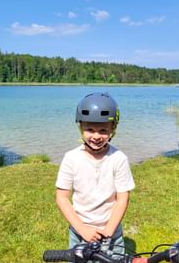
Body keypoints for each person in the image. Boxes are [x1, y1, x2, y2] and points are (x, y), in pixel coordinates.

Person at [55, 92, 135, 257]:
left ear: (113, 129)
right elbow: (62, 197)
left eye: (103, 130)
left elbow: (123, 199)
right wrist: (82, 229)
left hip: (111, 232)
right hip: (79, 231)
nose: (96, 136)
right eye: (90, 129)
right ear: (81, 127)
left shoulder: (119, 159)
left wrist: (108, 232)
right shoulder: (71, 158)